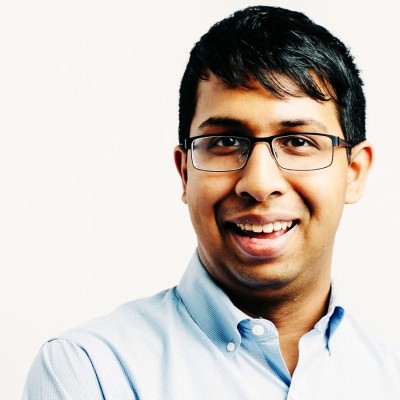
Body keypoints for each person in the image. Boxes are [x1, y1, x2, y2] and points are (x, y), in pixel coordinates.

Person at [23, 5, 400, 399]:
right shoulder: (90, 370)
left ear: (354, 172)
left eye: (298, 141)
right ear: (185, 173)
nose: (259, 183)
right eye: (225, 141)